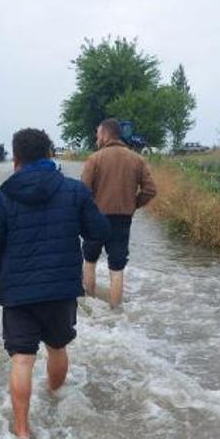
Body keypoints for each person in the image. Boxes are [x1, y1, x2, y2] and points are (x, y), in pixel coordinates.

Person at [0, 128, 108, 439]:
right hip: (60, 290)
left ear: (15, 159)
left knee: (22, 359)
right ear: (50, 155)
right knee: (57, 349)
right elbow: (98, 230)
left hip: (17, 295)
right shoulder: (74, 191)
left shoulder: (1, 199)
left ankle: (22, 430)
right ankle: (54, 399)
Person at [80, 118, 157, 308]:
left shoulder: (94, 159)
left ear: (106, 134)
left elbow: (83, 192)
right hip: (123, 219)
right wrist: (132, 205)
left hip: (96, 219)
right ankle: (115, 314)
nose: (96, 138)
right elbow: (150, 190)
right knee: (117, 268)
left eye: (98, 134)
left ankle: (91, 309)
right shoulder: (136, 159)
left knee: (89, 261)